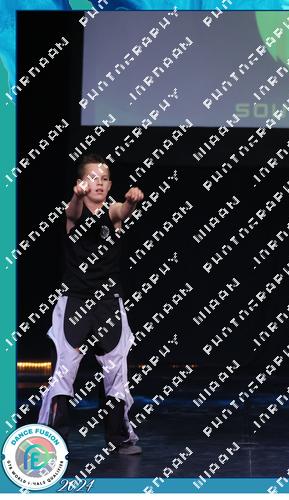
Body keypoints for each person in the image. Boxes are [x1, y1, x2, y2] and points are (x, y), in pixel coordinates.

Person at [37, 153, 144, 455]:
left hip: (108, 303)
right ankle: (52, 441)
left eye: (104, 179)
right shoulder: (73, 211)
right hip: (75, 301)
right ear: (81, 182)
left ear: (110, 185)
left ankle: (119, 438)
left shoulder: (113, 213)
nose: (99, 183)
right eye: (93, 178)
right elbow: (72, 213)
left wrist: (132, 202)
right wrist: (76, 195)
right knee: (63, 374)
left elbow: (122, 210)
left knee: (116, 374)